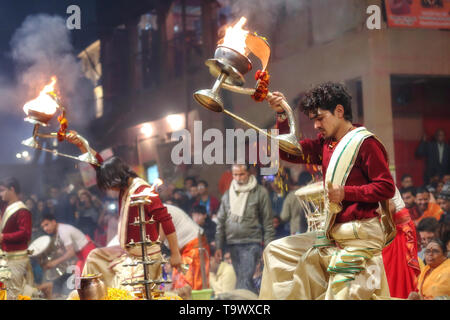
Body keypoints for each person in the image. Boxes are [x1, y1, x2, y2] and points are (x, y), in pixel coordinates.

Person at [260, 82, 396, 300]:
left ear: (339, 111)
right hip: (332, 233)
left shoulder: (366, 143)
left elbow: (386, 187)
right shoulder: (326, 144)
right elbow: (289, 152)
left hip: (360, 235)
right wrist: (281, 115)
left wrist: (346, 193)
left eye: (319, 118)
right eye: (313, 120)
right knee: (275, 251)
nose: (315, 126)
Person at [65, 131, 182, 290]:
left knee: (128, 290)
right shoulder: (124, 186)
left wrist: (175, 253)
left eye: (109, 184)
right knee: (94, 257)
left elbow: (166, 220)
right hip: (125, 252)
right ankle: (90, 294)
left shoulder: (143, 190)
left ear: (116, 178)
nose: (109, 189)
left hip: (145, 257)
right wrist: (81, 144)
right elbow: (98, 164)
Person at [215, 164, 275, 294]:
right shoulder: (228, 194)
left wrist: (268, 247)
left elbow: (268, 223)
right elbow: (220, 222)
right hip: (233, 244)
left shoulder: (260, 193)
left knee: (244, 280)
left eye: (241, 174)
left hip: (252, 242)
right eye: (235, 175)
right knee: (243, 280)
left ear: (249, 173)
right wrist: (219, 246)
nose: (238, 178)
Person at [0, 177, 36, 299]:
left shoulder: (22, 210)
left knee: (14, 292)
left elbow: (25, 233)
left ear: (12, 189)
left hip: (16, 258)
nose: (1, 194)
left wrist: (4, 237)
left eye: (3, 190)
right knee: (7, 291)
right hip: (7, 256)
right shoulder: (6, 207)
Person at [381, 189, 421, 299]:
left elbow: (390, 206)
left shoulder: (373, 175)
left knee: (395, 278)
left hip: (397, 230)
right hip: (393, 228)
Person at [161, 204, 210, 291]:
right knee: (179, 282)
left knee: (187, 285)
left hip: (193, 249)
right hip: (186, 251)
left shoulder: (158, 212)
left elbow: (157, 241)